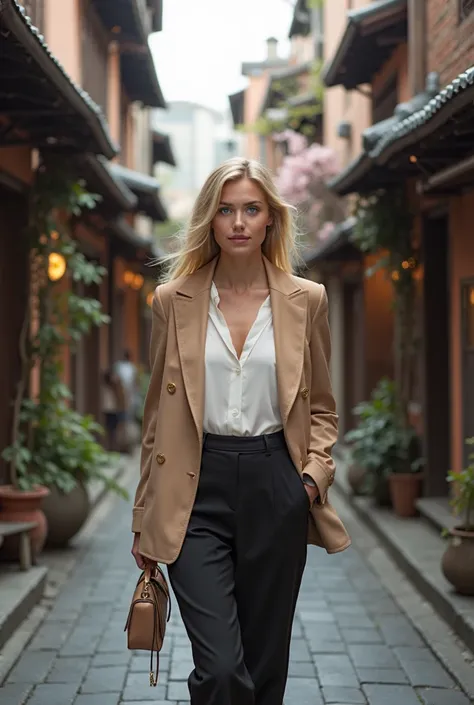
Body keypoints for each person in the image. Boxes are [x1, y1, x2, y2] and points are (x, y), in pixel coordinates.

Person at [131, 157, 351, 705]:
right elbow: (156, 416)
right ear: (209, 219)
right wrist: (143, 517)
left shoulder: (307, 299)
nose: (238, 222)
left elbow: (322, 407)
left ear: (270, 219)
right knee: (223, 669)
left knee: (264, 663)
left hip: (275, 484)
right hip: (193, 491)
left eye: (252, 209)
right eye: (225, 209)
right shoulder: (171, 300)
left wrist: (309, 480)